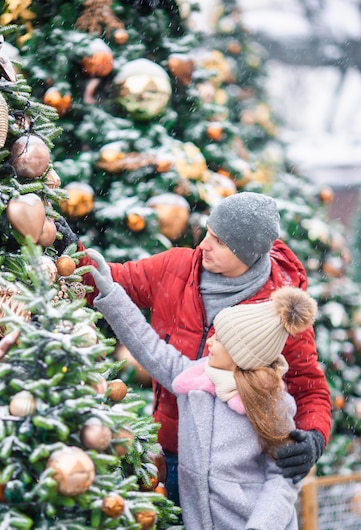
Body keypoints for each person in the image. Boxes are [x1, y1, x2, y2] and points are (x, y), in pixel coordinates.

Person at [86, 248, 335, 530]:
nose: (210, 343)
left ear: (241, 355)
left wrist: (265, 526)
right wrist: (109, 292)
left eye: (219, 339)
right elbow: (148, 346)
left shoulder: (270, 404)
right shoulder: (195, 381)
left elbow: (283, 476)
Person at [73, 192, 332, 502]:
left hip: (237, 470)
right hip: (171, 452)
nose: (204, 245)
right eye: (208, 231)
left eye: (220, 242)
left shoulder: (278, 312)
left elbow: (308, 386)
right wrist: (64, 248)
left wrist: (314, 437)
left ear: (247, 254)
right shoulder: (177, 267)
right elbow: (109, 281)